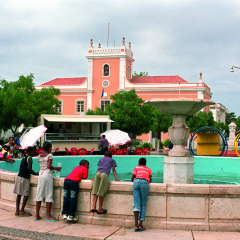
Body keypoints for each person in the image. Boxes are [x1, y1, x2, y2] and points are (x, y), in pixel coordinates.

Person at [34, 141, 61, 221]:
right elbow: (49, 166)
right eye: (51, 147)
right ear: (49, 148)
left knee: (39, 194)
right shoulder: (50, 155)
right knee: (49, 194)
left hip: (40, 175)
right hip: (47, 175)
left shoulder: (39, 156)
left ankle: (36, 215)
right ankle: (48, 216)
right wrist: (57, 168)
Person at [13, 147, 38, 216]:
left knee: (19, 194)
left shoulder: (24, 157)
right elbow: (29, 168)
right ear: (29, 151)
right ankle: (22, 210)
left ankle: (17, 210)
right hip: (25, 178)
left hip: (19, 176)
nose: (34, 153)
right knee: (26, 194)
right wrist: (35, 173)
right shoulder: (29, 158)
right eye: (33, 151)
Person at [131, 157, 152, 232]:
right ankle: (140, 225)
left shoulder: (136, 167)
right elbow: (150, 179)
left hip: (136, 182)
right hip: (144, 182)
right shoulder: (148, 169)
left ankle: (135, 226)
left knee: (136, 203)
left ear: (139, 163)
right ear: (145, 164)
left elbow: (132, 177)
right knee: (143, 203)